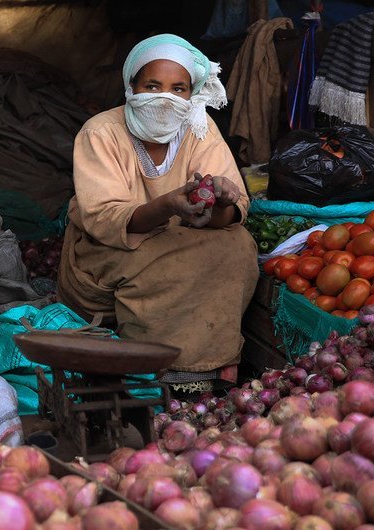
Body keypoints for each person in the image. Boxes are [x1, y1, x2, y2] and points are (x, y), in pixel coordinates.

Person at [57, 34, 259, 395]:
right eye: (152, 85)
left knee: (239, 245)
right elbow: (105, 218)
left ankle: (208, 365)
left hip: (185, 238)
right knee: (164, 262)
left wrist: (223, 201)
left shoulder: (200, 128)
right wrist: (168, 205)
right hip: (108, 248)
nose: (165, 96)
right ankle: (151, 370)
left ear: (191, 94)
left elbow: (230, 211)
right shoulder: (101, 132)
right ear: (130, 86)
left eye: (178, 88)